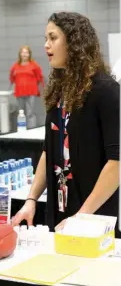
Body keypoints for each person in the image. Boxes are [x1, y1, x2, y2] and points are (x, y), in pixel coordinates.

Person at [12, 12, 120, 238]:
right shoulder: (59, 91)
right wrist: (31, 200)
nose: (46, 45)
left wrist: (82, 216)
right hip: (60, 214)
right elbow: (47, 151)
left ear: (74, 41)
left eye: (53, 38)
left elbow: (116, 162)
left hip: (93, 219)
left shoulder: (106, 91)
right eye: (45, 38)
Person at [9, 46, 44, 129]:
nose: (24, 54)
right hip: (20, 92)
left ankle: (32, 130)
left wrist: (38, 88)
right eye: (23, 52)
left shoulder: (34, 65)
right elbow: (12, 78)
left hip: (31, 92)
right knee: (21, 112)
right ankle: (22, 130)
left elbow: (39, 77)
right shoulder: (15, 66)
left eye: (26, 52)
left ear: (29, 54)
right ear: (20, 54)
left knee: (30, 112)